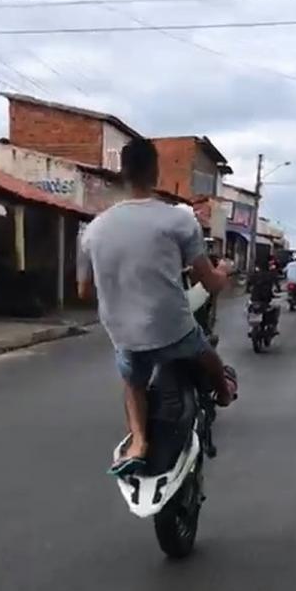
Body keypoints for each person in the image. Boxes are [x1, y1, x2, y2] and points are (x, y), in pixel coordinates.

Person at [78, 138, 236, 477]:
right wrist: (223, 272)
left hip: (124, 335)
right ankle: (223, 393)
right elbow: (208, 282)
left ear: (122, 173)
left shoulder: (93, 230)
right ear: (156, 172)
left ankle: (138, 441)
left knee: (133, 383)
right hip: (172, 329)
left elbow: (83, 290)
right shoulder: (180, 221)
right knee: (205, 353)